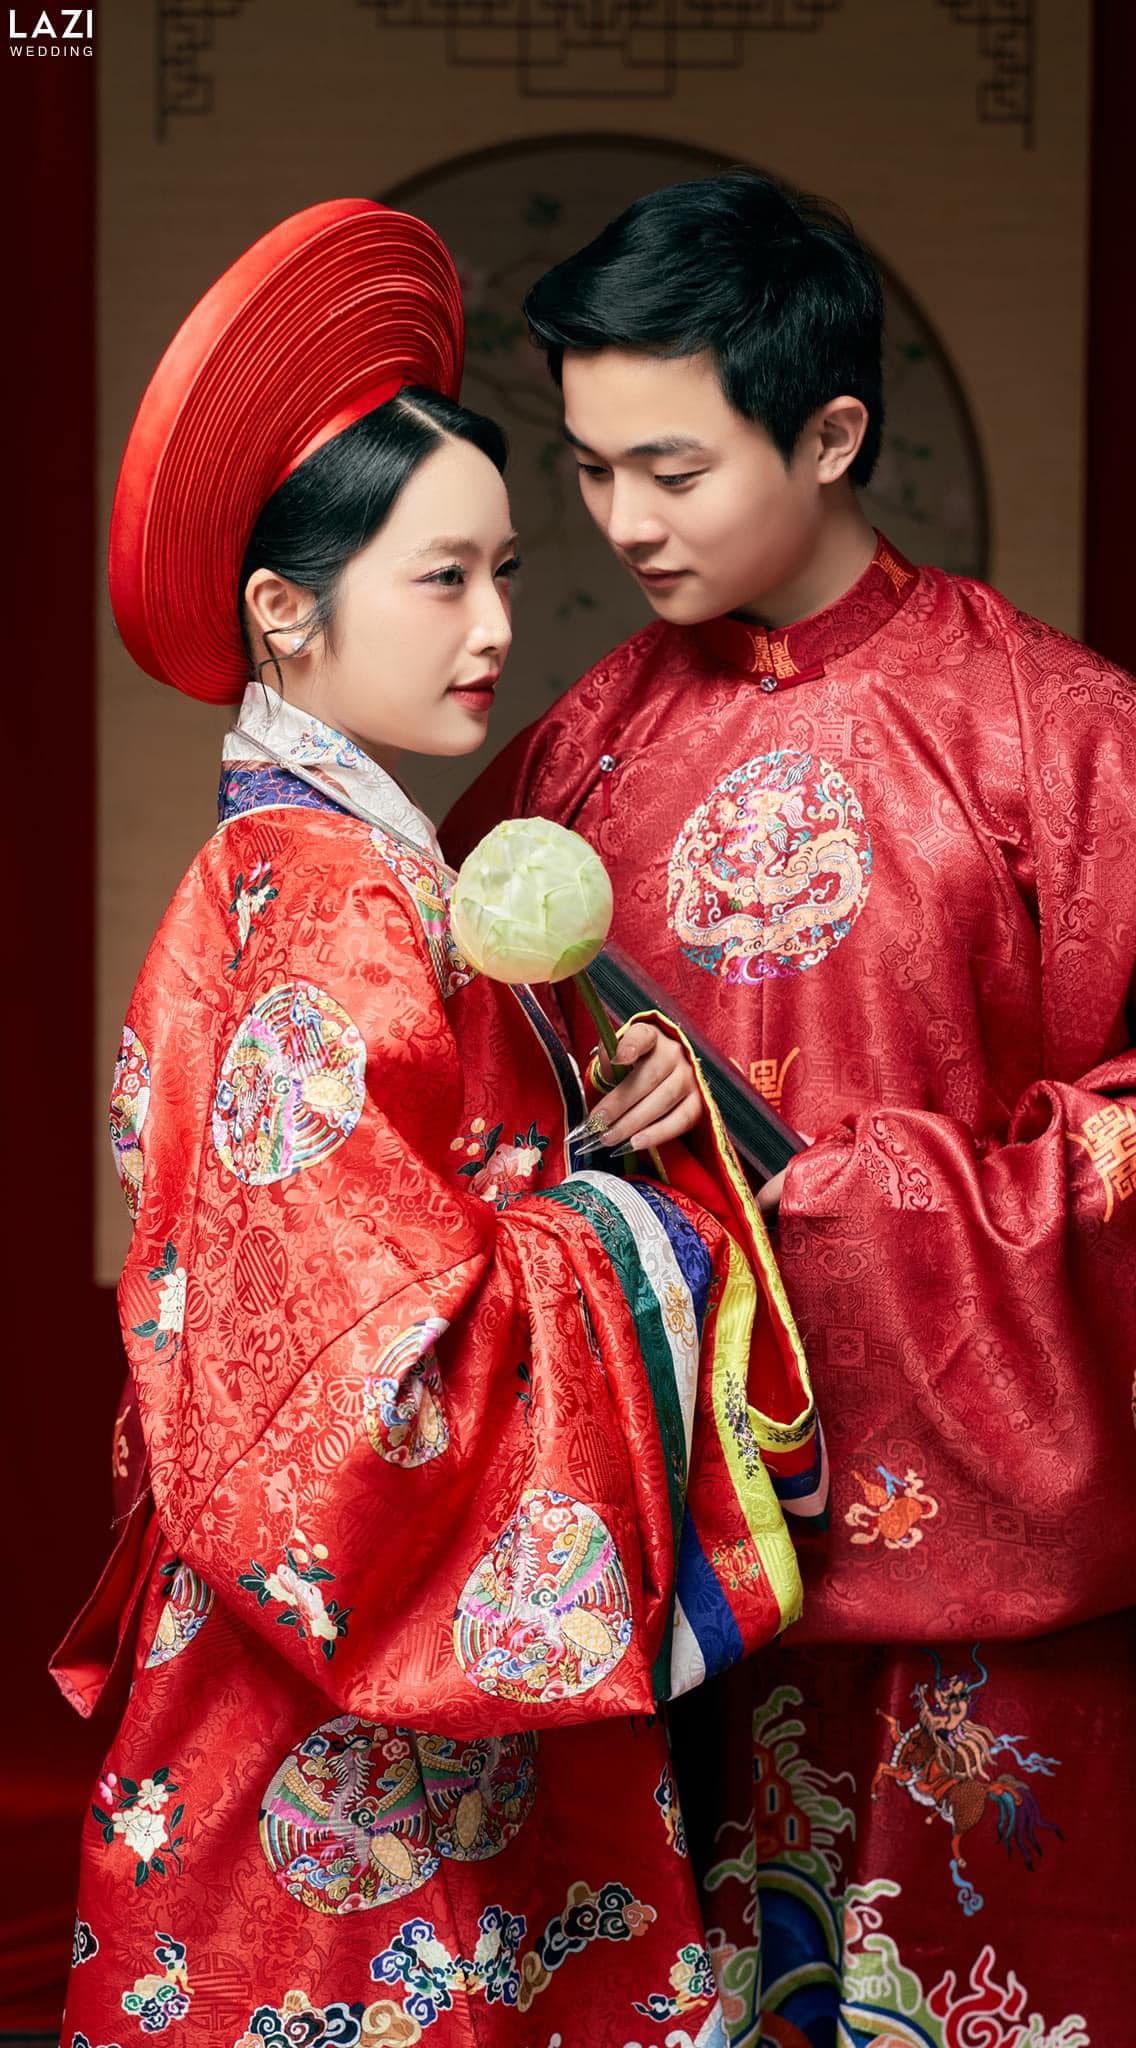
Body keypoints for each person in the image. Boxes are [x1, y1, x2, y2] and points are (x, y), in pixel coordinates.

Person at [440, 169, 1136, 2047]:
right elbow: (462, 1120)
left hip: (979, 1613)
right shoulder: (580, 752)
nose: (623, 522)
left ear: (832, 432)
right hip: (671, 1587)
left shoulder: (1059, 740)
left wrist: (823, 1195)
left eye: (673, 469)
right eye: (592, 469)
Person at [55, 197, 820, 2048]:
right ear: (284, 609)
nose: (497, 628)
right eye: (443, 579)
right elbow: (365, 1368)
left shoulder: (287, 867)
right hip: (355, 1668)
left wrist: (597, 1123)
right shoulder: (341, 899)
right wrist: (651, 1228)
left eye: (503, 571)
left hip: (293, 1629)